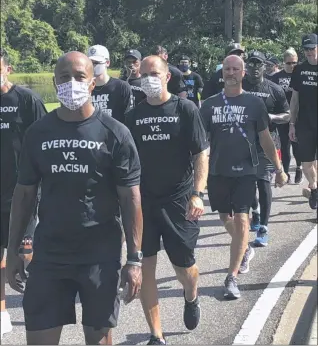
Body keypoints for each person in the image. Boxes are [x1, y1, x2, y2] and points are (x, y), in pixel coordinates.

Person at [6, 51, 143, 346]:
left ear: (92, 83)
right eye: (64, 77)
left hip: (99, 256)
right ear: (55, 84)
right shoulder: (38, 133)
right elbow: (25, 193)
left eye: (80, 77)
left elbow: (131, 198)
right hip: (49, 255)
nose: (72, 83)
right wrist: (14, 247)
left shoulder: (114, 134)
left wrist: (134, 259)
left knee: (98, 339)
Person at [126, 55, 209, 345]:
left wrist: (197, 194)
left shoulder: (185, 109)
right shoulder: (133, 116)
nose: (148, 78)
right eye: (144, 73)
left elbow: (200, 153)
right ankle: (156, 334)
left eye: (154, 73)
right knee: (145, 266)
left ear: (166, 77)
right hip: (144, 202)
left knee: (184, 267)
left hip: (179, 199)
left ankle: (191, 295)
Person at [200, 55, 287, 300]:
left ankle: (231, 278)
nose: (231, 73)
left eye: (235, 69)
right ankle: (246, 247)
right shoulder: (209, 105)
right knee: (225, 218)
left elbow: (265, 139)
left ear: (243, 73)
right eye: (227, 69)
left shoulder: (254, 104)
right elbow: (199, 143)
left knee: (241, 219)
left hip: (247, 170)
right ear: (222, 73)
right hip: (217, 170)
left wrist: (278, 169)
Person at [0, 49, 47, 339]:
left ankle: (38, 308)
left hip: (23, 195)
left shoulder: (26, 100)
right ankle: (2, 312)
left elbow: (45, 139)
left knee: (24, 256)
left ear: (8, 69)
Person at [243, 51, 290, 247]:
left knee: (262, 182)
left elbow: (287, 115)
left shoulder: (274, 89)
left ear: (265, 66)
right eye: (251, 64)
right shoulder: (239, 86)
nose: (254, 68)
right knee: (247, 184)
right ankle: (255, 210)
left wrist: (271, 118)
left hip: (267, 142)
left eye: (258, 64)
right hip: (242, 142)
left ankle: (263, 227)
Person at [289, 34, 318, 210]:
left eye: (312, 48)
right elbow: (294, 99)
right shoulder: (299, 70)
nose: (309, 52)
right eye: (306, 49)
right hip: (304, 123)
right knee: (306, 163)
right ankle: (314, 188)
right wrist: (292, 123)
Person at [271, 48, 302, 183]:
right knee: (284, 145)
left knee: (297, 144)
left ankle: (299, 167)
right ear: (283, 62)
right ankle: (286, 172)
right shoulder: (276, 77)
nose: (291, 66)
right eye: (288, 63)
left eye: (294, 62)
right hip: (283, 114)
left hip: (298, 115)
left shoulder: (300, 74)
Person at [87, 44, 133, 123]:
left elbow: (129, 119)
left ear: (107, 62)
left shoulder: (121, 87)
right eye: (90, 62)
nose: (93, 66)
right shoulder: (84, 89)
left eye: (96, 62)